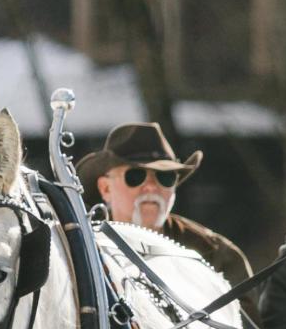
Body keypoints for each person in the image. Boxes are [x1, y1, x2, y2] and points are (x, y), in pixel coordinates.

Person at [76, 121, 254, 290]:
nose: (151, 187)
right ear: (105, 188)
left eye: (165, 177)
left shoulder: (216, 256)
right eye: (136, 176)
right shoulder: (80, 252)